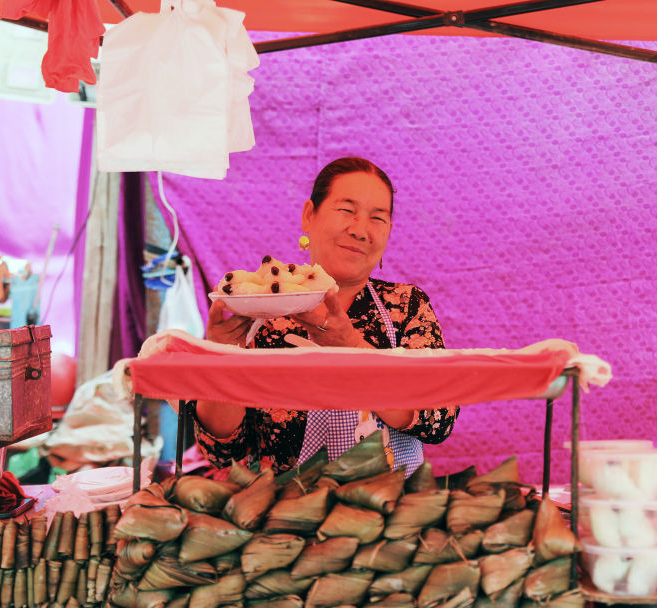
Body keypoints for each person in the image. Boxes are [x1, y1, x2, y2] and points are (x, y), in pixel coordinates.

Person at [191, 157, 459, 475]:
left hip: (385, 512)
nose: (360, 230)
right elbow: (223, 452)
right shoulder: (259, 308)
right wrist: (223, 361)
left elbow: (437, 419)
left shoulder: (405, 306)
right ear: (309, 215)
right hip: (282, 515)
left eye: (378, 218)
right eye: (346, 210)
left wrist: (354, 349)